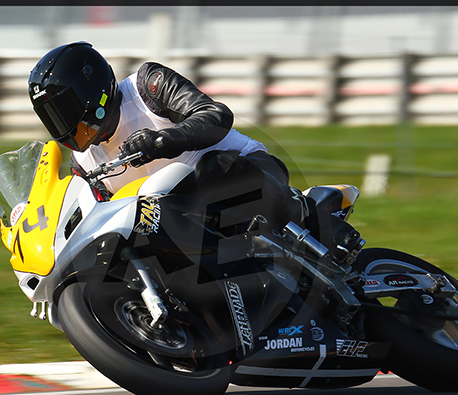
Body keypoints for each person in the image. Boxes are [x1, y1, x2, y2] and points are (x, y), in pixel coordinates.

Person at [28, 41, 361, 265]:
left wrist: (161, 142)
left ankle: (306, 215)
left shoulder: (147, 86)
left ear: (92, 89)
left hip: (245, 171)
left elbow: (216, 116)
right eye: (53, 117)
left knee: (211, 170)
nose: (66, 125)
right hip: (184, 219)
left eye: (65, 110)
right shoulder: (84, 164)